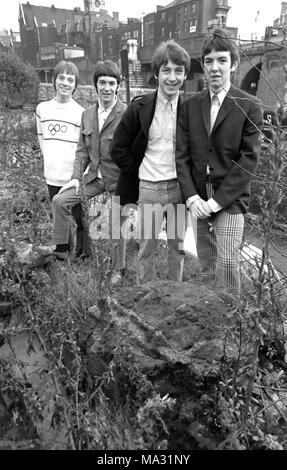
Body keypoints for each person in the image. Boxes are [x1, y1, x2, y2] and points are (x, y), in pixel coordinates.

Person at [176, 28, 263, 293]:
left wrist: (216, 202)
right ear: (203, 65)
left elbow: (248, 161)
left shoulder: (249, 106)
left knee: (227, 262)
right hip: (198, 197)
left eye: (222, 60)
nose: (215, 68)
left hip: (230, 198)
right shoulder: (190, 105)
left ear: (233, 64)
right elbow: (181, 155)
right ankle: (210, 310)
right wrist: (192, 198)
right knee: (207, 260)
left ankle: (231, 320)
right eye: (209, 61)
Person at [111, 40, 190, 284]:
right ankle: (144, 299)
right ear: (156, 73)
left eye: (178, 71)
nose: (172, 77)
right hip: (150, 189)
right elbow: (117, 148)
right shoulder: (140, 108)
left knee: (177, 249)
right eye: (166, 70)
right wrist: (138, 171)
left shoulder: (190, 109)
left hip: (178, 189)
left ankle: (174, 296)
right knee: (147, 249)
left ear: (185, 74)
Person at [43, 60, 127, 284]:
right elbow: (81, 152)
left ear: (118, 86)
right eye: (102, 83)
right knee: (60, 201)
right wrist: (75, 178)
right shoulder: (87, 114)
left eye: (111, 83)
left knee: (115, 223)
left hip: (118, 181)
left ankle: (119, 268)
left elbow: (134, 153)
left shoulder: (127, 113)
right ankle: (60, 252)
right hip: (94, 178)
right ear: (95, 85)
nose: (106, 88)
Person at [36, 61, 86, 258]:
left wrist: (79, 173)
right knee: (60, 215)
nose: (65, 83)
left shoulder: (81, 113)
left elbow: (83, 147)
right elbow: (41, 138)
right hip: (52, 173)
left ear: (75, 85)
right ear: (54, 80)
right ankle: (63, 251)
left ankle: (84, 255)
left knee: (81, 218)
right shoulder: (42, 109)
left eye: (70, 79)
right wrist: (49, 160)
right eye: (61, 78)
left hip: (72, 175)